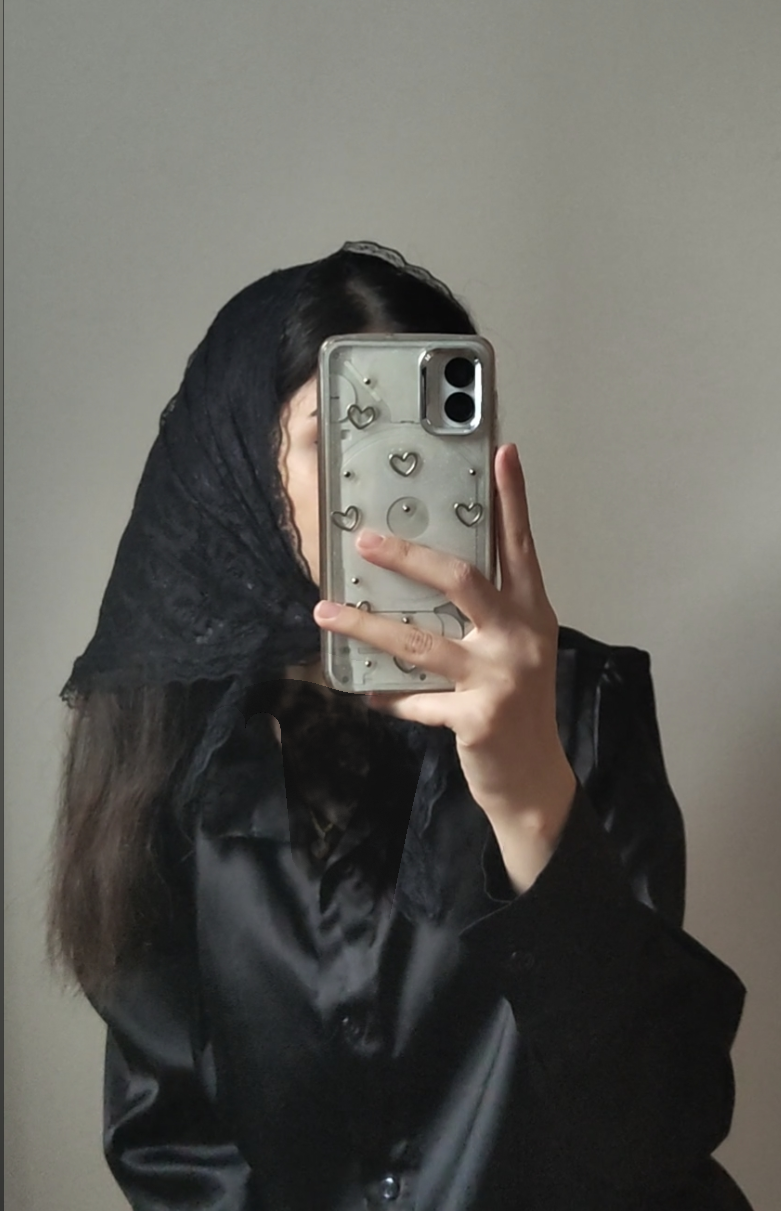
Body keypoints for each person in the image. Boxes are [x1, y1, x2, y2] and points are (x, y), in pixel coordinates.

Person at [48, 242, 752, 1210]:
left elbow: (657, 1130)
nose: (387, 486)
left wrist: (533, 805)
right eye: (338, 437)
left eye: (423, 442)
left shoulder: (581, 704)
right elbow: (171, 1143)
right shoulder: (169, 747)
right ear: (239, 463)